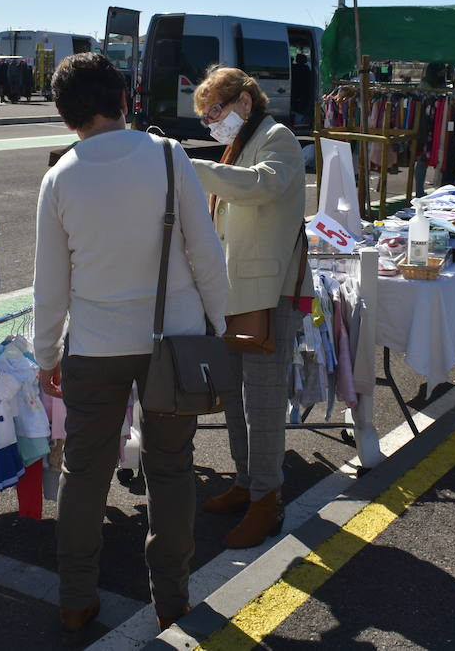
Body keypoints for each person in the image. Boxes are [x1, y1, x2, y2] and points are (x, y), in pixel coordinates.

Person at [32, 53, 228, 642]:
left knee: (84, 474)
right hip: (174, 339)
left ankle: (75, 599)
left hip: (94, 346)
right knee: (171, 471)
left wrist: (46, 358)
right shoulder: (170, 158)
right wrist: (220, 328)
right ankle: (171, 600)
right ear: (123, 99)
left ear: (68, 116)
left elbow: (51, 285)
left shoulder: (60, 176)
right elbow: (205, 252)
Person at [189, 65, 311, 548]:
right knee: (237, 399)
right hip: (237, 291)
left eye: (214, 111)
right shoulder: (241, 142)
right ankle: (246, 482)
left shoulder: (277, 138)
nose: (211, 123)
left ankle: (268, 499)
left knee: (261, 404)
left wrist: (191, 167)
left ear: (244, 101)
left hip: (267, 292)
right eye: (205, 117)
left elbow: (261, 185)